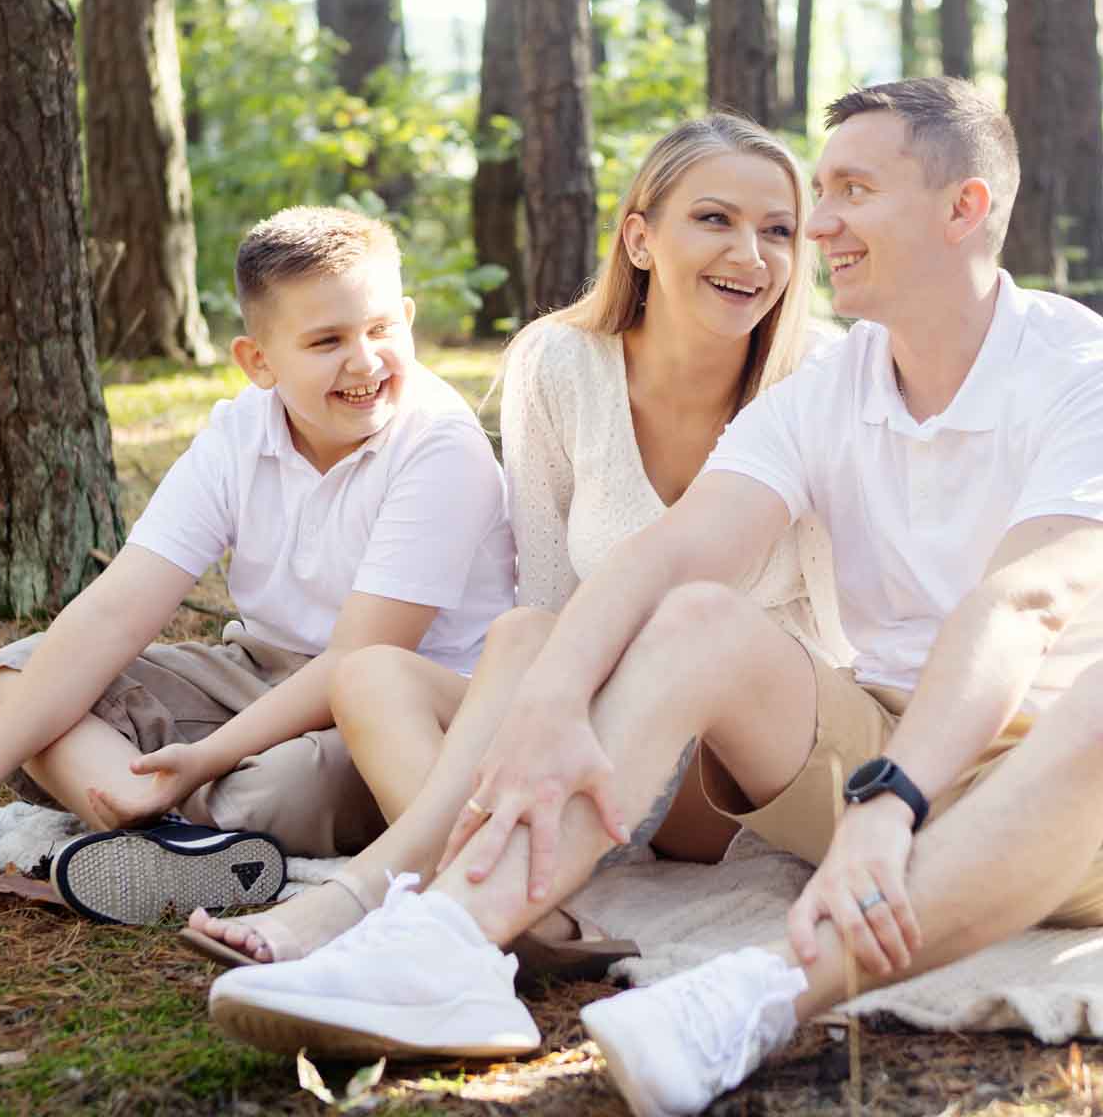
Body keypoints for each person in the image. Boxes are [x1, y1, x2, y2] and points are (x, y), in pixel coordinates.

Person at [202, 76, 1103, 1108]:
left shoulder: (1097, 379)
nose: (821, 224)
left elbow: (1020, 604)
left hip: (1081, 798)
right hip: (872, 750)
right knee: (697, 618)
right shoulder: (827, 391)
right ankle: (449, 943)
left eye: (853, 192)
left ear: (964, 208)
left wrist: (890, 799)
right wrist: (551, 701)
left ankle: (758, 996)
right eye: (822, 193)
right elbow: (667, 556)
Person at [186, 113, 850, 968]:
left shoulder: (821, 372)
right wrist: (550, 722)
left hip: (737, 764)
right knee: (384, 669)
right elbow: (543, 598)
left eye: (780, 231)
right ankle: (521, 919)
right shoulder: (560, 363)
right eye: (715, 219)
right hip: (597, 729)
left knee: (635, 639)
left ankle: (376, 891)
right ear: (640, 240)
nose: (750, 255)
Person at [0, 206, 516, 926]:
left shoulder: (439, 445)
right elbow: (117, 610)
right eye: (327, 341)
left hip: (396, 709)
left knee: (271, 793)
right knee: (11, 678)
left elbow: (357, 660)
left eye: (382, 329)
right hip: (261, 671)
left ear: (408, 319)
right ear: (259, 361)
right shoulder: (239, 433)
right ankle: (179, 842)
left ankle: (170, 825)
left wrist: (204, 759)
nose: (365, 361)